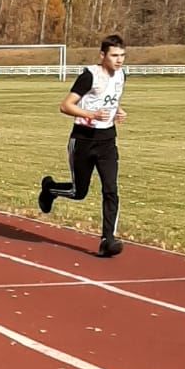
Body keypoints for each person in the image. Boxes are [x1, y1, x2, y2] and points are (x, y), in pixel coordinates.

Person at [37, 34, 128, 257]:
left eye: (122, 55)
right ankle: (50, 188)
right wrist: (90, 114)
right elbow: (65, 106)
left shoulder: (122, 75)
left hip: (107, 140)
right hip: (83, 140)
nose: (119, 60)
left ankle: (108, 239)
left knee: (111, 189)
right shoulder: (89, 76)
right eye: (114, 55)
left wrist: (118, 110)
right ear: (103, 55)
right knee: (79, 192)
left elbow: (111, 98)